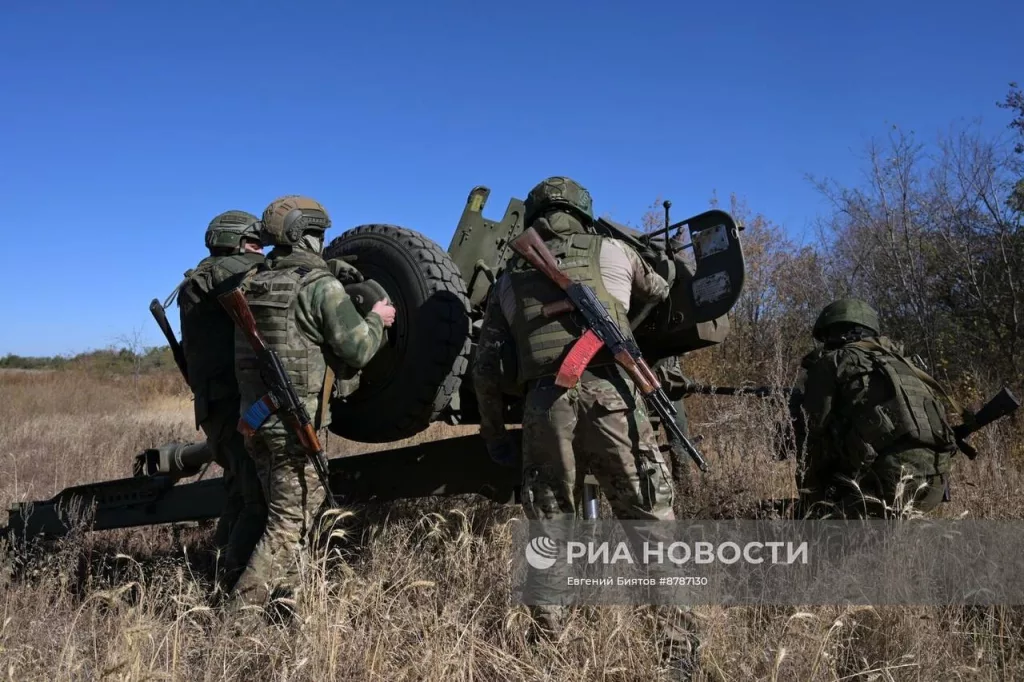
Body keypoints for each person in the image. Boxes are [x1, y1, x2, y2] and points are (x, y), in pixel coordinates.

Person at [472, 176, 700, 675]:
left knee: (549, 525)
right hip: (614, 398)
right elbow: (660, 290)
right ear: (583, 211)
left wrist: (494, 437)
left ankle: (548, 648)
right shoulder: (615, 251)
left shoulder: (509, 278)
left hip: (545, 405)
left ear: (534, 214)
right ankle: (680, 648)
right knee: (649, 520)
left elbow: (485, 367)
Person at [228, 195, 395, 621]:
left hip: (256, 422)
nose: (324, 242)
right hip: (293, 426)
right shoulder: (319, 286)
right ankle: (235, 625)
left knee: (285, 518)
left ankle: (287, 612)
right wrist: (378, 318)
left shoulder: (252, 282)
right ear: (306, 236)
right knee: (287, 528)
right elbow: (357, 349)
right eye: (319, 234)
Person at [796, 298, 957, 519]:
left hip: (886, 487)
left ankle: (815, 513)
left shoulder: (833, 362)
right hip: (935, 487)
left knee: (809, 444)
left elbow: (812, 427)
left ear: (832, 332)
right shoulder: (905, 363)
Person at [177, 209, 268, 594]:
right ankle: (235, 587)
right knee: (257, 500)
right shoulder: (222, 274)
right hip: (234, 405)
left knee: (238, 490)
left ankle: (217, 572)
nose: (261, 251)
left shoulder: (198, 279)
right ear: (236, 242)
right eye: (255, 243)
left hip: (215, 407)